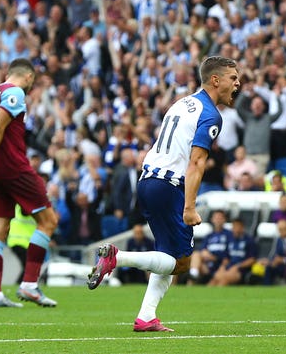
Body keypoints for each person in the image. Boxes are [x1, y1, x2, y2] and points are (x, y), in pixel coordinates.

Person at [86, 56, 240, 332]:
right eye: (233, 78)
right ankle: (117, 258)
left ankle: (146, 316)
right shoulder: (210, 114)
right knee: (180, 263)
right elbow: (197, 162)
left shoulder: (182, 103)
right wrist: (190, 206)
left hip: (148, 181)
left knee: (167, 253)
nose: (238, 84)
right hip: (168, 186)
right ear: (215, 80)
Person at [0, 58, 59, 308]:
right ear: (28, 77)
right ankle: (29, 285)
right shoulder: (15, 92)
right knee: (49, 221)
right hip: (14, 168)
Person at [208, 218, 257, 286]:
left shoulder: (249, 241)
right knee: (214, 280)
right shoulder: (230, 240)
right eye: (234, 227)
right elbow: (226, 258)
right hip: (229, 268)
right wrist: (222, 267)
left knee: (224, 279)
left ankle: (217, 296)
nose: (235, 229)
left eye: (238, 227)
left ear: (242, 228)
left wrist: (238, 266)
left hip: (241, 271)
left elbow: (252, 259)